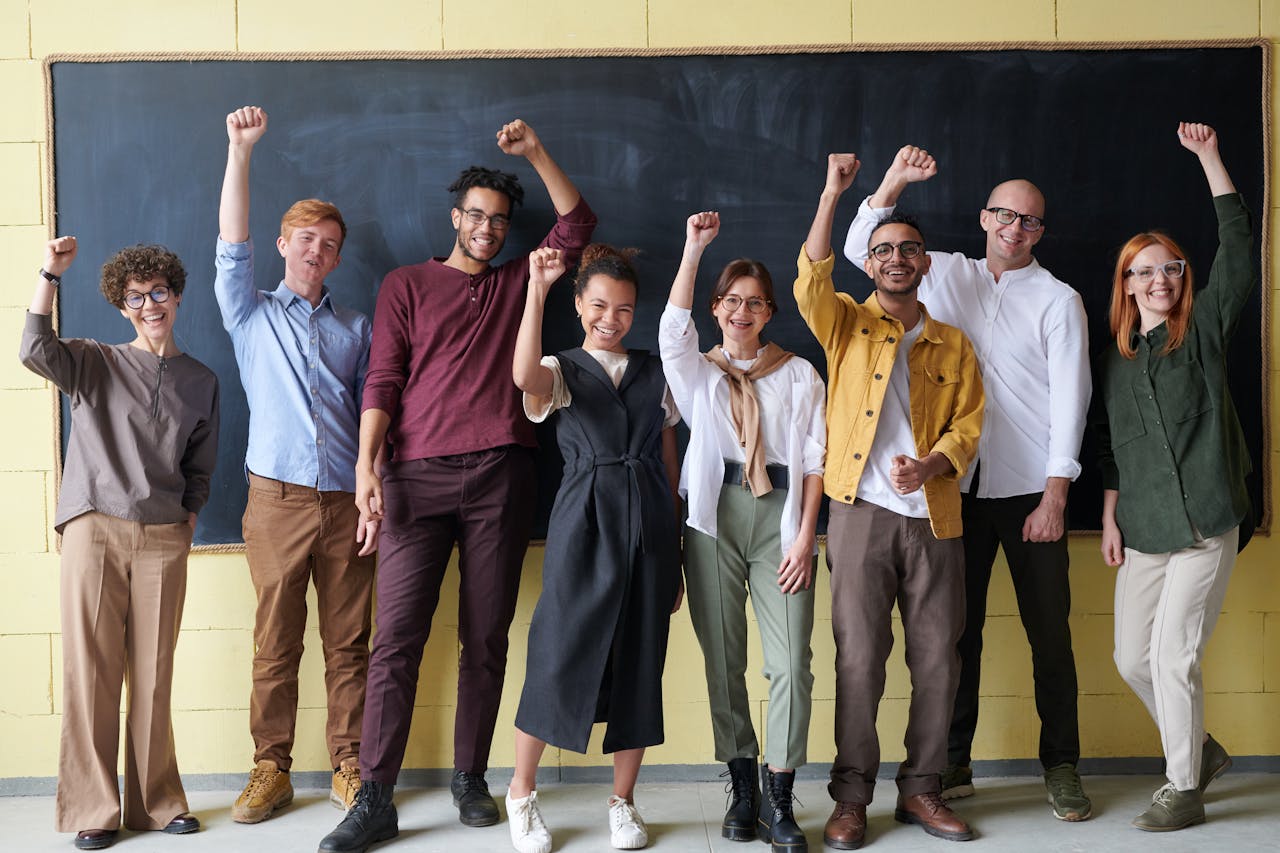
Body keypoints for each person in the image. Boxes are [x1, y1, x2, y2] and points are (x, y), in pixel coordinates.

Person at [319, 120, 596, 853]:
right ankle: (375, 795)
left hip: (503, 474)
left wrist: (536, 152)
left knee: (485, 638)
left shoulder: (519, 282)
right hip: (414, 476)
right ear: (455, 218)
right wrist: (366, 465)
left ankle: (470, 777)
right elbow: (383, 377)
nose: (487, 229)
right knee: (397, 640)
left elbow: (578, 224)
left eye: (499, 221)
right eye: (476, 215)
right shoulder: (406, 284)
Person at [844, 145, 1093, 820]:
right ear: (985, 217)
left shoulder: (1059, 300)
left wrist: (1056, 494)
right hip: (949, 492)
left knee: (1049, 633)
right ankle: (952, 761)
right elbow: (858, 246)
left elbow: (1072, 400)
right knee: (956, 635)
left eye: (1031, 221)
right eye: (1005, 215)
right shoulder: (941, 271)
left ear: (1041, 231)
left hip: (1026, 491)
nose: (1015, 228)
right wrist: (891, 182)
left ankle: (1062, 764)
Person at [798, 154, 983, 849]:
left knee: (939, 657)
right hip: (859, 515)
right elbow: (811, 275)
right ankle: (851, 800)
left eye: (908, 249)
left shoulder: (953, 343)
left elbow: (969, 423)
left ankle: (923, 790)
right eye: (884, 250)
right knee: (859, 658)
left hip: (935, 516)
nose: (897, 258)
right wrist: (832, 194)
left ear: (925, 261)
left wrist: (934, 461)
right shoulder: (845, 323)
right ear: (869, 263)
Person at [20, 237, 218, 851]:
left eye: (159, 292)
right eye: (135, 297)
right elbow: (33, 349)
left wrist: (188, 518)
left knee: (154, 677)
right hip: (94, 527)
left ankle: (157, 804)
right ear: (122, 306)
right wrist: (50, 274)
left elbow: (200, 466)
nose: (149, 305)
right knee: (91, 673)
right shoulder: (94, 360)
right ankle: (92, 808)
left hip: (163, 537)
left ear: (176, 296)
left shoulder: (201, 379)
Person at [214, 106, 378, 824]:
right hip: (275, 499)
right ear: (283, 244)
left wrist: (375, 497)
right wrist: (240, 153)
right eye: (305, 238)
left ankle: (349, 763)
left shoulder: (358, 327)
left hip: (346, 499)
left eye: (329, 244)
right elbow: (230, 243)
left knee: (349, 642)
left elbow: (378, 419)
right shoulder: (248, 312)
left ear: (339, 258)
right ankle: (270, 769)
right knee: (275, 641)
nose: (316, 251)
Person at [1097, 122, 1249, 832]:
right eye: (1145, 271)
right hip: (1145, 529)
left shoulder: (1207, 331)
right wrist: (1108, 516)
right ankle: (1203, 751)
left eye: (1172, 268)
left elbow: (1240, 251)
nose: (1160, 280)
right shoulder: (1119, 363)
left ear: (1184, 279)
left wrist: (1209, 157)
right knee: (1133, 657)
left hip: (1206, 523)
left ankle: (1182, 786)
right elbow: (1114, 449)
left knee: (1174, 656)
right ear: (1127, 284)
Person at [504, 244, 682, 853]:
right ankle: (522, 793)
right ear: (580, 304)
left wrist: (674, 543)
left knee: (640, 660)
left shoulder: (656, 370)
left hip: (651, 523)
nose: (611, 318)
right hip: (584, 521)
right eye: (600, 305)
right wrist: (536, 287)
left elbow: (667, 459)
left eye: (625, 308)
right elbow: (523, 376)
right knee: (558, 653)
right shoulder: (562, 368)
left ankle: (623, 802)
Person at [658, 212, 826, 852]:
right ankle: (742, 785)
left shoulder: (798, 373)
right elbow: (673, 332)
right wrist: (694, 247)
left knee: (790, 664)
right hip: (713, 519)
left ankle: (779, 793)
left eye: (754, 303)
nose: (742, 312)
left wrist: (807, 536)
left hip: (780, 518)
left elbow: (814, 461)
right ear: (718, 308)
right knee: (724, 661)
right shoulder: (699, 372)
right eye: (731, 302)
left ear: (770, 311)